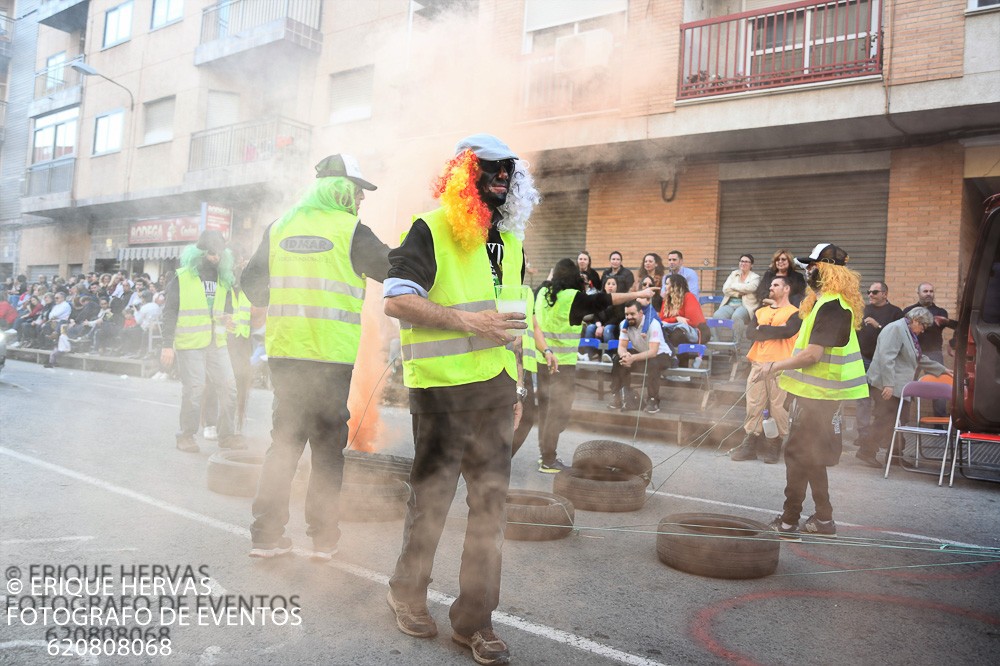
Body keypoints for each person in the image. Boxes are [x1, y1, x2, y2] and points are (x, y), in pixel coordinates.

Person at [384, 134, 538, 666]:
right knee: (431, 501)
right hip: (441, 391)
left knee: (490, 508)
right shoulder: (430, 228)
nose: (502, 178)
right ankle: (406, 594)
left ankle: (475, 622)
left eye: (509, 172)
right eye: (491, 169)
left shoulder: (512, 242)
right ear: (464, 173)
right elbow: (397, 300)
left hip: (495, 391)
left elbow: (512, 322)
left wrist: (516, 384)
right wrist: (467, 321)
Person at [242, 152, 389, 560]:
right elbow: (393, 269)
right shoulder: (352, 230)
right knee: (326, 448)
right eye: (359, 193)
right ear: (342, 190)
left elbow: (251, 284)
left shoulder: (281, 226)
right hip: (329, 358)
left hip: (287, 353)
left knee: (285, 442)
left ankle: (266, 537)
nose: (362, 201)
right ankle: (324, 540)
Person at [760, 243, 869, 539]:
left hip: (819, 400)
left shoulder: (833, 306)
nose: (808, 271)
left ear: (828, 269)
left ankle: (788, 521)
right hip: (817, 397)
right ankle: (823, 520)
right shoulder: (825, 303)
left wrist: (774, 366)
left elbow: (812, 356)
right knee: (813, 456)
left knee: (798, 456)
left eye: (813, 266)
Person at [535, 259, 653, 471]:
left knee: (545, 410)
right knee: (559, 413)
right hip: (562, 365)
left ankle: (545, 454)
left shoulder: (542, 293)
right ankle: (549, 459)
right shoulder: (572, 298)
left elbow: (552, 287)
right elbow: (607, 299)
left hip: (541, 361)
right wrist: (637, 294)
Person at [160, 229, 242, 452]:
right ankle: (186, 436)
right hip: (190, 343)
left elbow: (226, 310)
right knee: (195, 389)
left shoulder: (224, 278)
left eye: (219, 254)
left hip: (217, 342)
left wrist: (228, 320)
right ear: (201, 252)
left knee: (229, 387)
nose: (215, 258)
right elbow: (169, 312)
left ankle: (227, 435)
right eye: (211, 253)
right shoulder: (183, 276)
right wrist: (167, 344)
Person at [854, 307, 952, 468]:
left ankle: (895, 455)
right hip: (887, 385)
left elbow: (918, 357)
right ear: (916, 320)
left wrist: (941, 369)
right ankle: (867, 451)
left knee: (898, 421)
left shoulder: (908, 332)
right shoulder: (895, 329)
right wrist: (888, 384)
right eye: (923, 326)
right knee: (885, 420)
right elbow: (887, 358)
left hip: (898, 386)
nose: (922, 331)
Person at [730, 275, 800, 463]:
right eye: (771, 284)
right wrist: (769, 330)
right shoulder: (761, 311)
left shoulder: (795, 313)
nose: (771, 287)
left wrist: (764, 330)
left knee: (778, 408)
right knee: (754, 405)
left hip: (781, 365)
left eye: (776, 285)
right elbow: (750, 333)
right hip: (758, 364)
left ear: (786, 289)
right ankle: (750, 445)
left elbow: (788, 331)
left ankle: (774, 444)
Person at [855, 281, 904, 441]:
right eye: (869, 292)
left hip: (882, 363)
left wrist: (878, 326)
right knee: (862, 398)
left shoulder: (895, 313)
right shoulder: (864, 310)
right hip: (863, 359)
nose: (870, 295)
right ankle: (863, 434)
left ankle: (878, 436)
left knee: (881, 399)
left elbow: (897, 337)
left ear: (885, 294)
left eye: (874, 292)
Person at [608, 300, 671, 413]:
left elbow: (653, 352)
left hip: (661, 355)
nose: (629, 317)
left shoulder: (653, 324)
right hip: (641, 352)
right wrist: (625, 355)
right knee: (619, 359)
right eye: (627, 314)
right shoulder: (624, 324)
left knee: (653, 362)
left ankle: (653, 400)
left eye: (632, 314)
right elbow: (621, 347)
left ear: (641, 313)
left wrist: (633, 358)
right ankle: (621, 395)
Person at [902, 282, 954, 416]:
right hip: (912, 352)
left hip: (933, 352)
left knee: (940, 385)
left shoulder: (941, 312)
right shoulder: (909, 311)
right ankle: (903, 418)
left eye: (931, 291)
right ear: (918, 293)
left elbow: (955, 326)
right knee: (906, 384)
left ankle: (939, 422)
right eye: (925, 291)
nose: (928, 294)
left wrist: (945, 322)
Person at [714, 254, 761, 348]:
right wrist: (738, 294)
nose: (743, 263)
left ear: (751, 265)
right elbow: (725, 289)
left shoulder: (755, 277)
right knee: (717, 315)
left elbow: (750, 288)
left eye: (746, 261)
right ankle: (716, 343)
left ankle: (736, 344)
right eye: (742, 261)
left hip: (745, 306)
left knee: (737, 316)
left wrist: (734, 285)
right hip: (730, 304)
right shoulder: (733, 274)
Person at [660, 273, 705, 349]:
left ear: (675, 286)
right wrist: (676, 319)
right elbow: (661, 320)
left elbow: (694, 322)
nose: (665, 287)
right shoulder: (667, 300)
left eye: (667, 284)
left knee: (677, 334)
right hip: (674, 329)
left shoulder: (688, 297)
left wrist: (675, 321)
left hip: (695, 332)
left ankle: (680, 360)